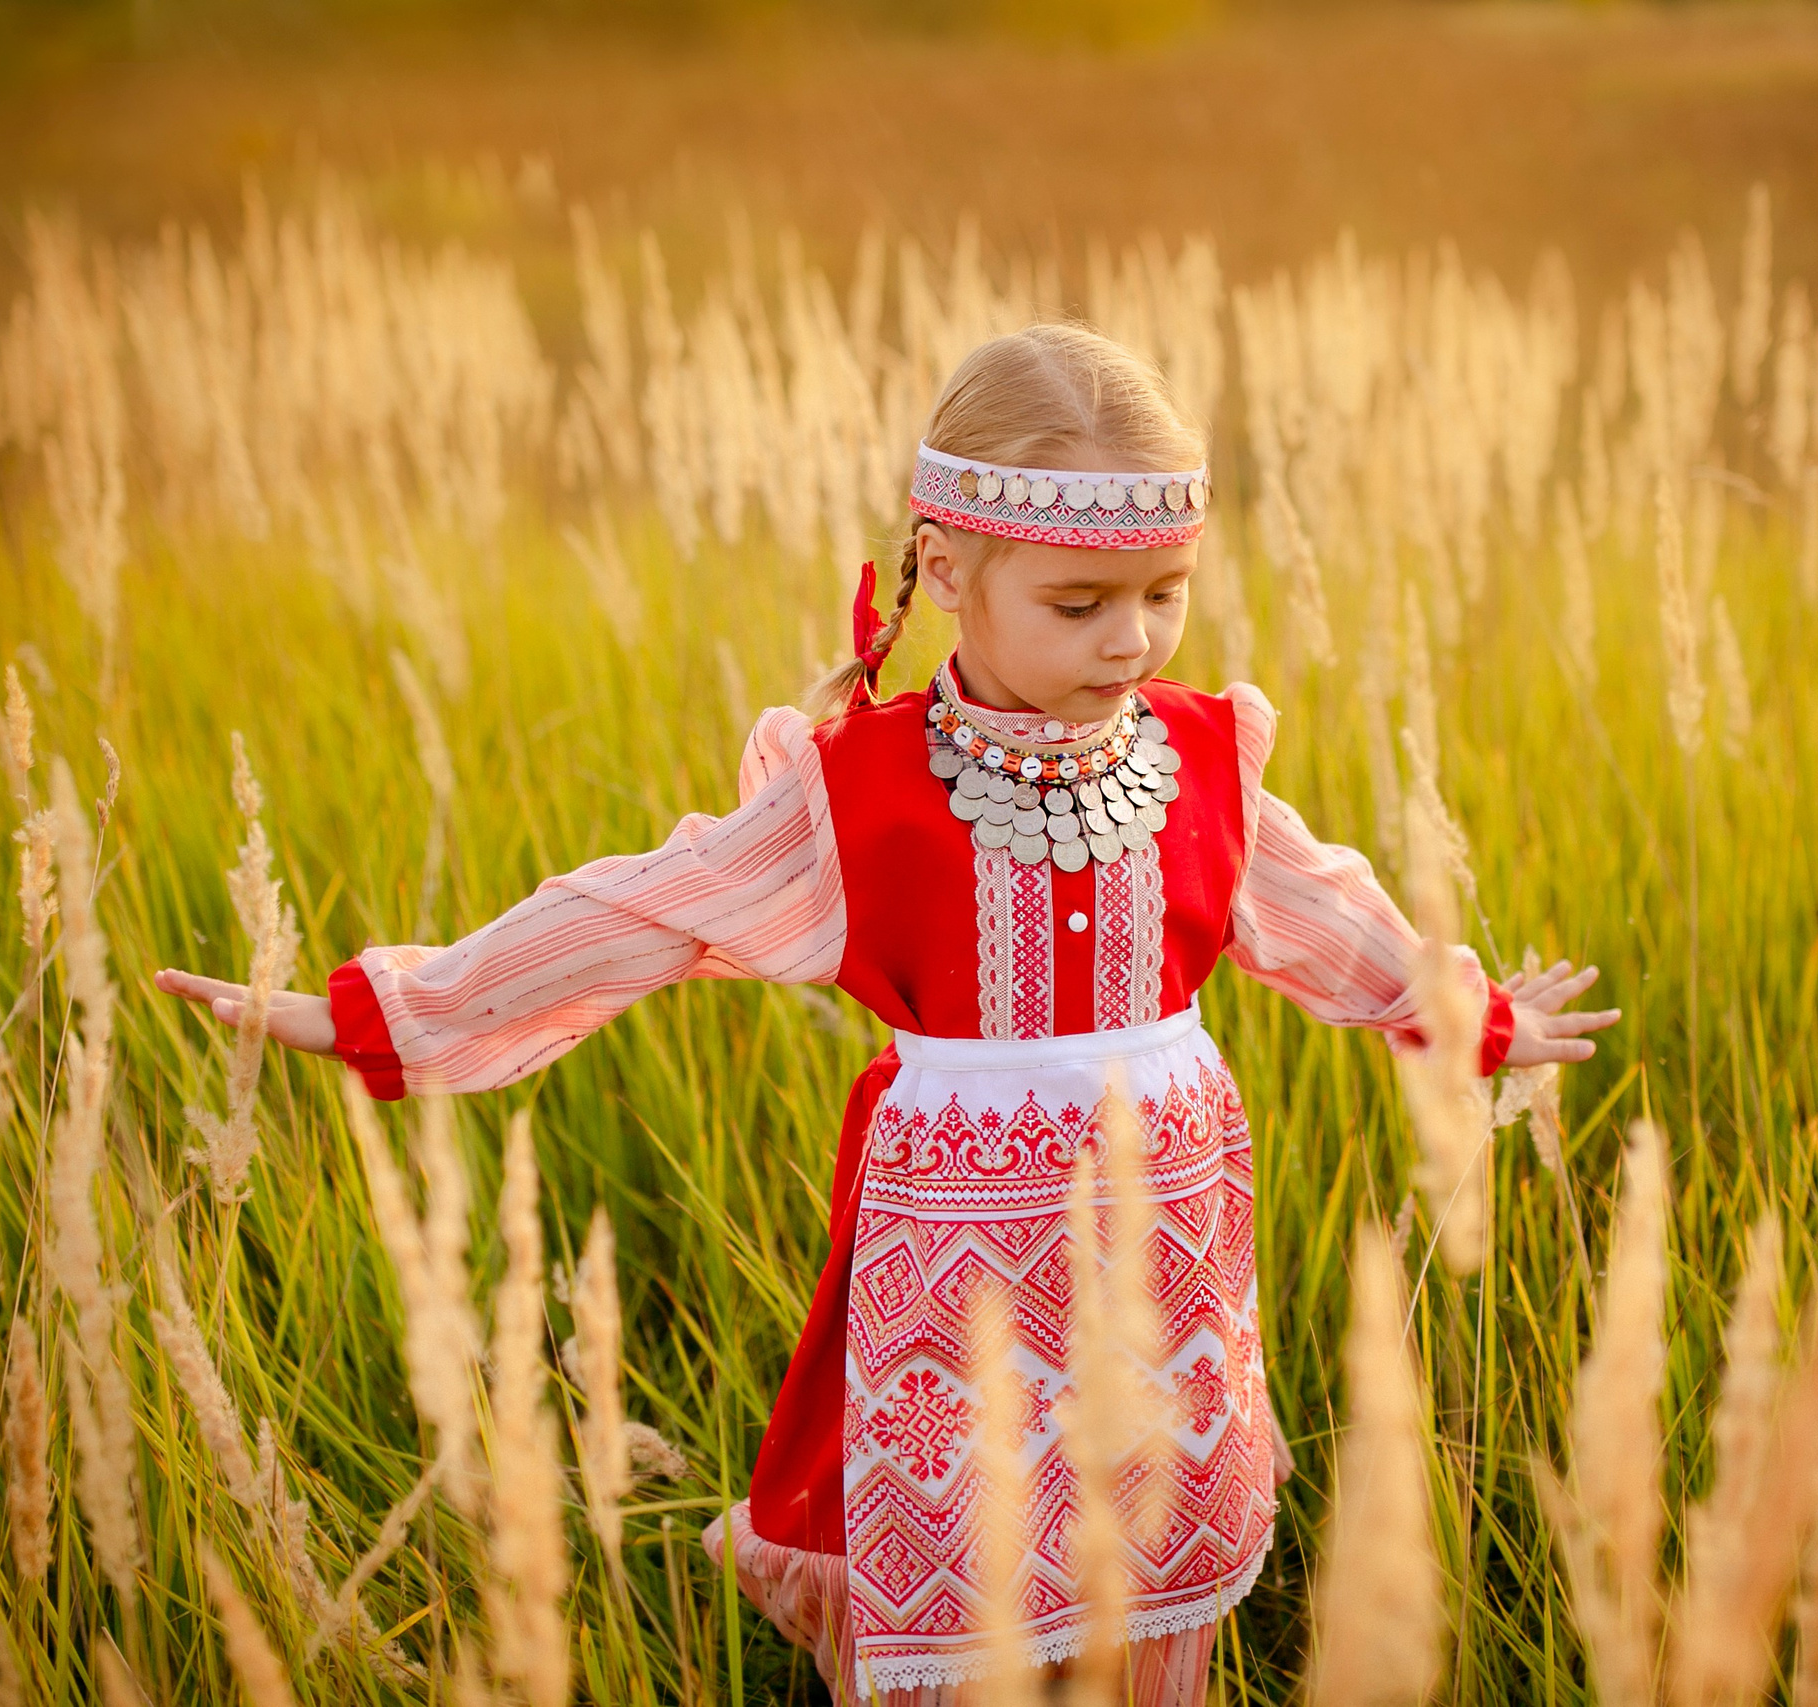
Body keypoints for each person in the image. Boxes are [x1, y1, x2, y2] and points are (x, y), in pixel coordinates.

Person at [155, 322, 1619, 1703]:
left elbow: (1319, 909)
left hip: (1165, 1226)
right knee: (962, 1544)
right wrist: (375, 1013)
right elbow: (635, 913)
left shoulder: (1202, 753)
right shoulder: (858, 793)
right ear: (950, 566)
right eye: (1081, 603)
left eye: (1165, 595)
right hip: (964, 1245)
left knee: (1156, 1530)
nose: (1133, 643)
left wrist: (1468, 1010)